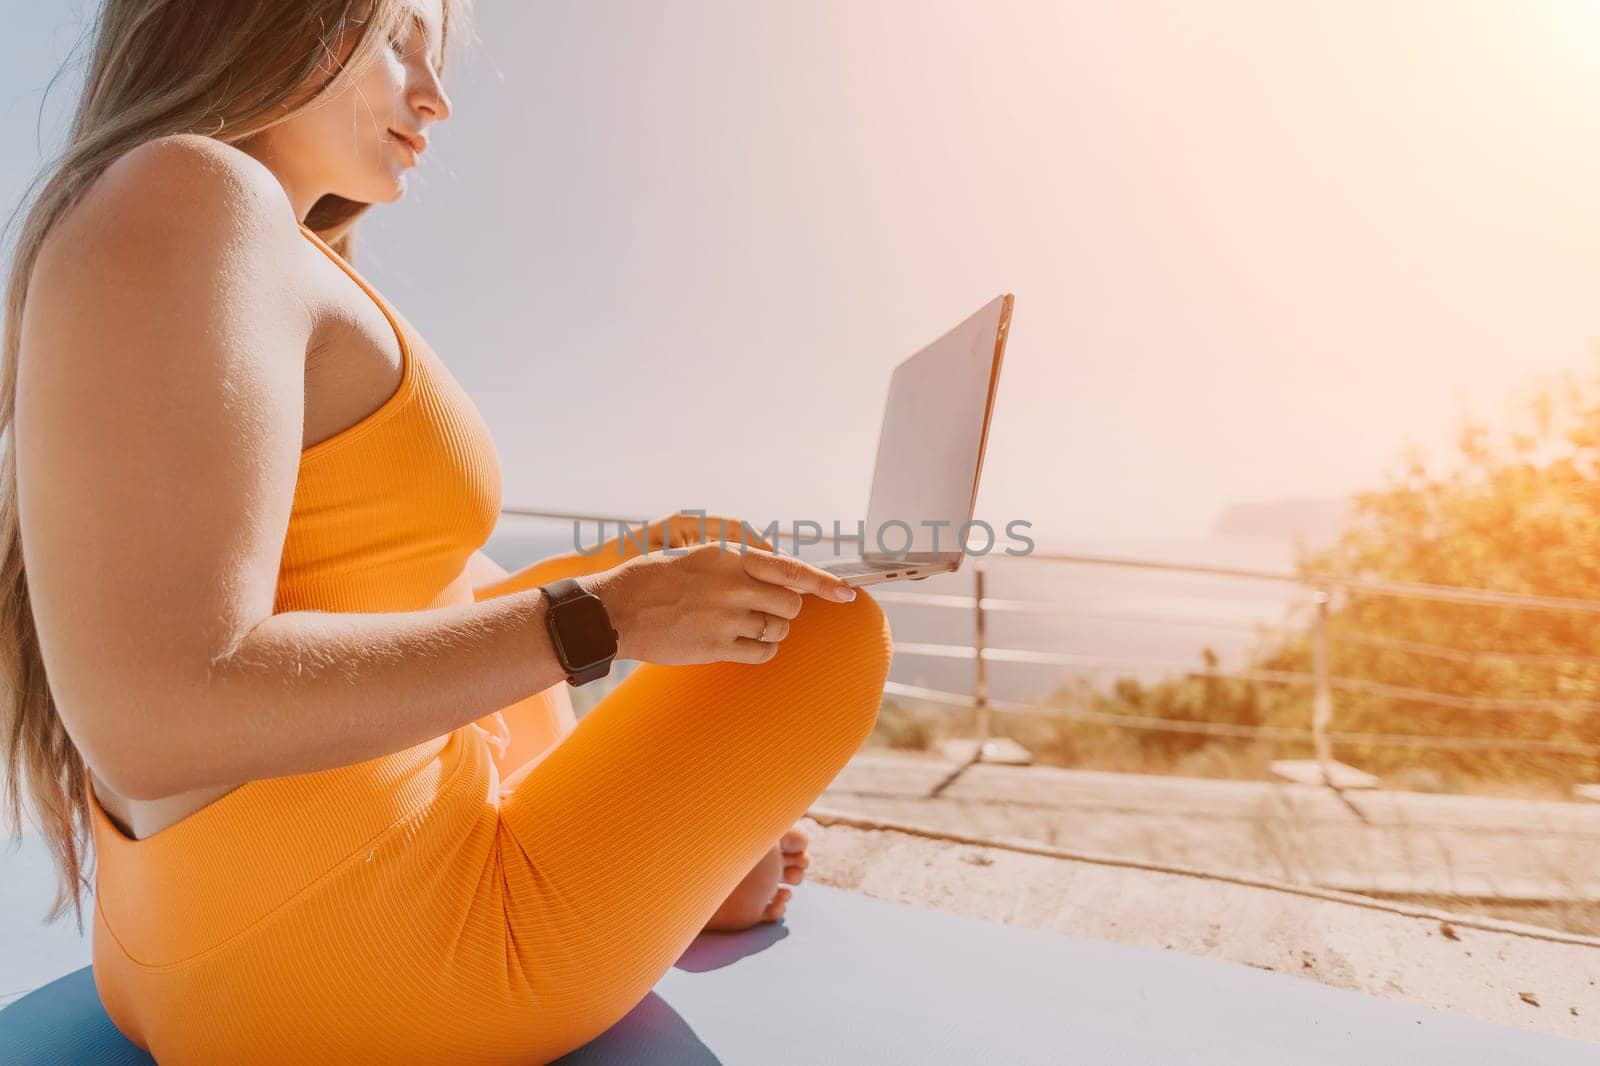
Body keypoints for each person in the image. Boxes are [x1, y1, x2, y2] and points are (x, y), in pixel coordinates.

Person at [0, 2, 893, 1062]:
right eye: (396, 42)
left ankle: (677, 869)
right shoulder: (191, 193)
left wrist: (622, 594)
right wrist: (603, 618)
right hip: (350, 968)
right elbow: (153, 711)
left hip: (202, 942)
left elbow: (377, 591)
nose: (436, 95)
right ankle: (672, 869)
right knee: (821, 630)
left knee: (626, 562)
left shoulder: (217, 231)